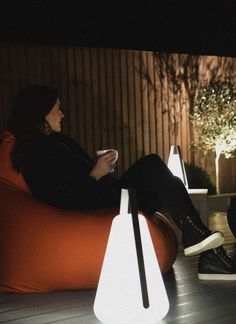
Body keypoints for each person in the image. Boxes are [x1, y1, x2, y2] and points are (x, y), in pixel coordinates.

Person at [7, 84, 236, 280]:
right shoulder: (34, 155)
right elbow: (63, 199)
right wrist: (96, 173)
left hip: (108, 193)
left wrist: (102, 167)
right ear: (41, 113)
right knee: (153, 167)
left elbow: (82, 175)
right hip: (98, 205)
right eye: (57, 108)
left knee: (158, 172)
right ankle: (199, 240)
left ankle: (204, 248)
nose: (62, 113)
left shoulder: (59, 141)